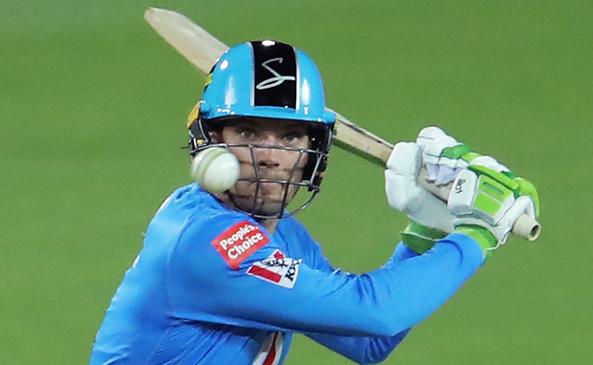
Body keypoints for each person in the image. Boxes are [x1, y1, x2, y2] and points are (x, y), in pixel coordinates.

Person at [89, 40, 540, 365]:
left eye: (289, 136)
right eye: (247, 132)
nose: (267, 154)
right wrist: (475, 233)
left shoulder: (282, 238)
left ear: (311, 154)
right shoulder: (204, 241)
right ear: (210, 140)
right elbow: (374, 312)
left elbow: (366, 344)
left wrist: (426, 230)